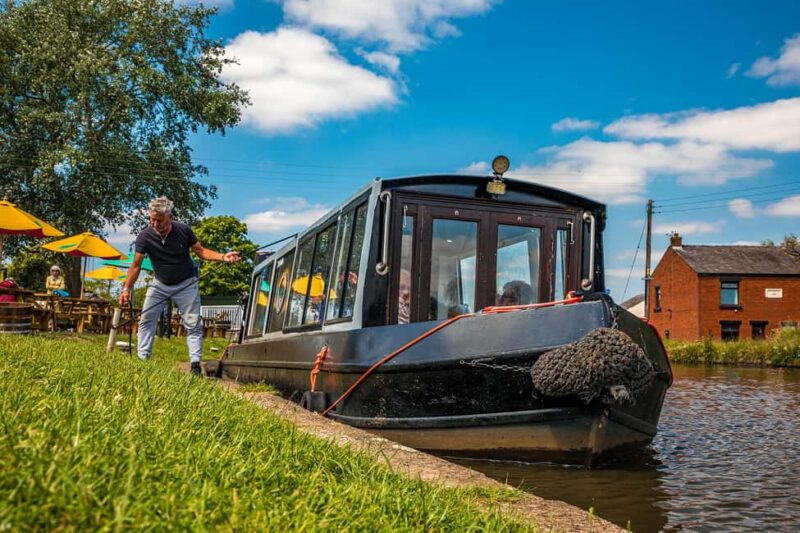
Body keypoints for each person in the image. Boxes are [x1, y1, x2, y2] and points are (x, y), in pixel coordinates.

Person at [119, 197, 240, 375]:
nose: (155, 224)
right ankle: (142, 360)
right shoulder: (145, 236)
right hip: (159, 284)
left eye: (159, 220)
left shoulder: (183, 230)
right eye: (152, 219)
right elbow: (135, 266)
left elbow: (201, 251)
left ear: (170, 217)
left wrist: (223, 257)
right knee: (146, 319)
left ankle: (195, 365)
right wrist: (126, 289)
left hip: (186, 283)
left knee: (193, 324)